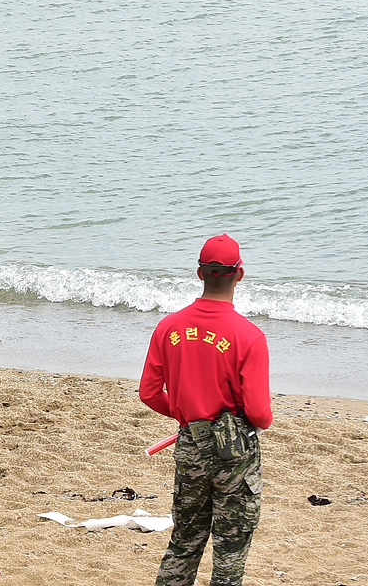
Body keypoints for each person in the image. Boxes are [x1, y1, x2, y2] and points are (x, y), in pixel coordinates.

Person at [139, 234, 272, 586]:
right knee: (231, 548)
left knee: (185, 540)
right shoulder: (249, 336)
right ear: (239, 274)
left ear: (200, 274)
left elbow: (149, 393)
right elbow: (259, 413)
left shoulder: (169, 327)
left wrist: (187, 415)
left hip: (191, 444)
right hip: (235, 452)